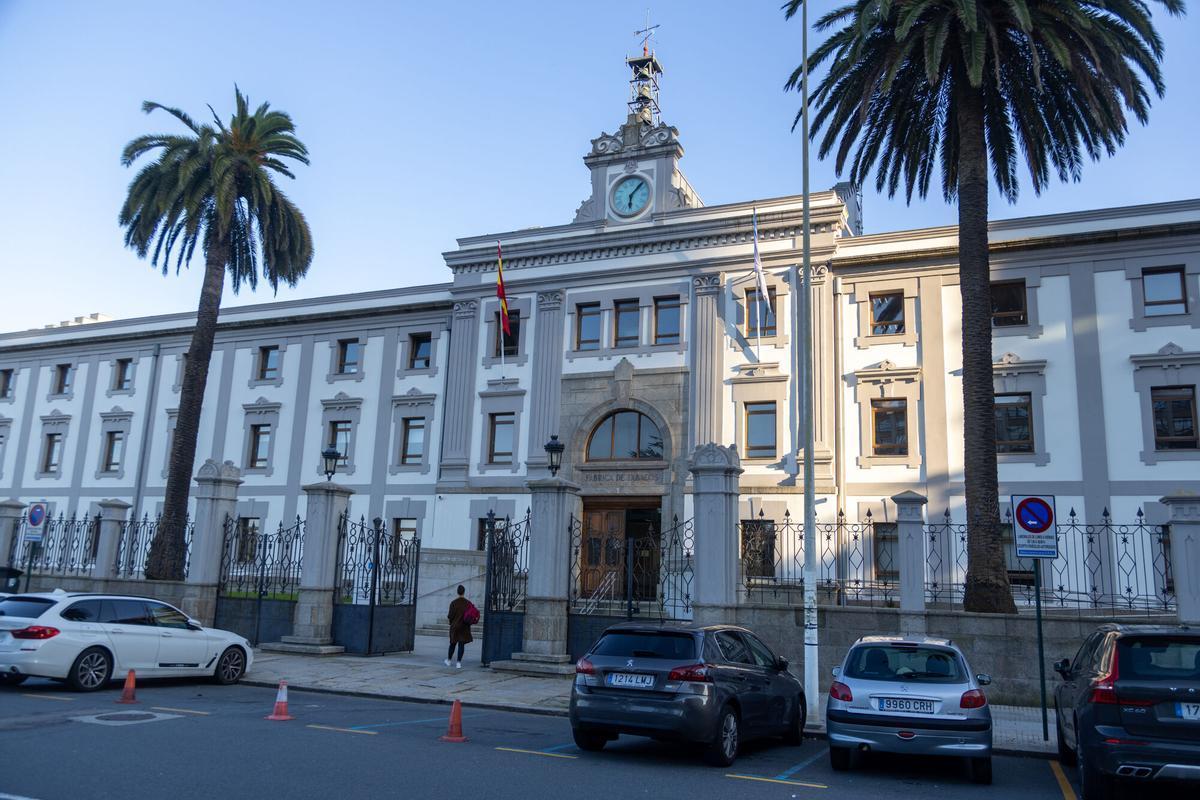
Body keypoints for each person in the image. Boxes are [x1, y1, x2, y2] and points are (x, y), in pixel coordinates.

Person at [445, 585, 473, 668]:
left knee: (452, 644)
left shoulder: (453, 603)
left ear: (457, 592)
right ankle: (458, 663)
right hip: (464, 626)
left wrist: (451, 623)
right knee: (461, 645)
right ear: (464, 592)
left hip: (455, 626)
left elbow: (450, 616)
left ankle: (449, 661)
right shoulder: (468, 603)